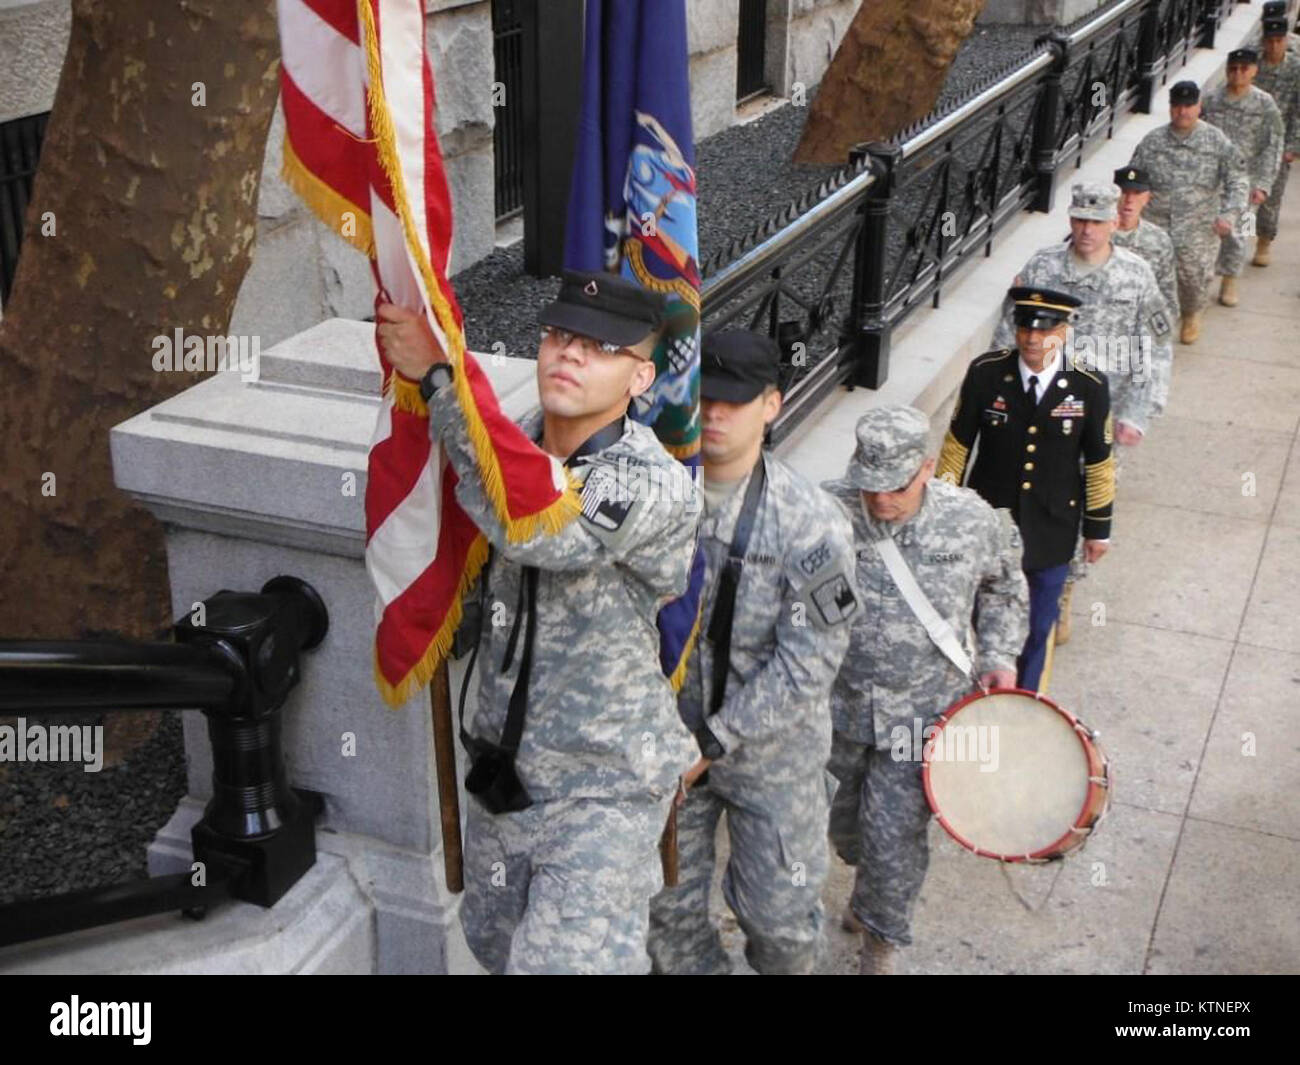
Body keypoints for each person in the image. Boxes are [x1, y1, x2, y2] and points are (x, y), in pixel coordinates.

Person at [376, 269, 700, 974]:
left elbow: (539, 528)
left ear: (640, 378)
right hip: (505, 773)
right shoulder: (509, 445)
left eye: (600, 348)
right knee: (493, 941)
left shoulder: (648, 481)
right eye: (559, 335)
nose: (570, 354)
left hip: (603, 786)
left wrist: (440, 383)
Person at [646, 330, 858, 975]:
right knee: (667, 918)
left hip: (773, 755)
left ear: (771, 405)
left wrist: (714, 738)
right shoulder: (660, 498)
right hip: (671, 747)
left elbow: (810, 664)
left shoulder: (811, 522)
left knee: (781, 922)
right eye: (706, 397)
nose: (714, 413)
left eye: (734, 402)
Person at [825, 406, 1027, 975]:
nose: (881, 500)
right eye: (870, 486)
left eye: (895, 487)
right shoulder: (824, 508)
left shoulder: (971, 520)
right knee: (847, 830)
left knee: (894, 840)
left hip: (922, 715)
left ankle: (881, 940)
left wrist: (997, 657)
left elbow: (1005, 589)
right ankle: (866, 893)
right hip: (837, 708)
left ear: (927, 469)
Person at [938, 287, 1113, 692]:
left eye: (1045, 329)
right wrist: (945, 507)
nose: (1032, 338)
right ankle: (980, 696)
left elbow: (1100, 461)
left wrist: (1098, 527)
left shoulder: (1087, 385)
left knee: (1036, 626)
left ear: (1065, 332)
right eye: (1024, 327)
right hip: (992, 523)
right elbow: (957, 447)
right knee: (983, 621)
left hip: (1052, 526)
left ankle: (1025, 702)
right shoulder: (986, 373)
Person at [992, 181, 1172, 448]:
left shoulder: (1137, 275)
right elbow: (1008, 333)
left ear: (1114, 223)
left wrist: (1138, 413)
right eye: (1080, 220)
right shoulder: (1042, 266)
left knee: (1095, 487)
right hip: (1041, 401)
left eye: (1097, 223)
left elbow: (1155, 347)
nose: (1087, 230)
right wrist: (999, 393)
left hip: (1105, 405)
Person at [1129, 80, 1249, 343]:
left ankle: (1192, 313)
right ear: (1171, 107)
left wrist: (1229, 214)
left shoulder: (1216, 141)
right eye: (1177, 106)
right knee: (1148, 276)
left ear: (1199, 107)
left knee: (1193, 279)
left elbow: (1238, 180)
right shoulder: (1153, 142)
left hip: (1198, 226)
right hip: (1156, 223)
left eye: (1189, 106)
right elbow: (1133, 182)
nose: (1182, 111)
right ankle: (1151, 323)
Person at [1201, 48, 1285, 306]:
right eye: (1233, 68)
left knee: (1239, 233)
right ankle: (1203, 282)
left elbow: (1273, 145)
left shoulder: (1264, 104)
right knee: (1207, 232)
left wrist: (1263, 184)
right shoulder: (1213, 99)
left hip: (1246, 182)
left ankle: (1230, 281)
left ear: (1254, 71)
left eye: (1243, 69)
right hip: (1213, 180)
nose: (1237, 74)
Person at [1254, 16, 1300, 265]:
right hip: (1251, 141)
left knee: (1272, 197)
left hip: (1279, 143)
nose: (1273, 46)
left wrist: (1292, 146)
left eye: (1278, 41)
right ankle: (1243, 238)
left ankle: (1264, 240)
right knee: (1247, 196)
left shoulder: (1296, 68)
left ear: (1286, 40)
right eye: (1269, 41)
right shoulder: (1252, 64)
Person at [1112, 166, 1181, 328]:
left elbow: (1167, 294)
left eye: (1137, 193)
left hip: (1140, 327)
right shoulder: (1094, 235)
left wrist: (1159, 337)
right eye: (1124, 192)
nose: (1129, 200)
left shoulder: (1158, 240)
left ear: (1147, 198)